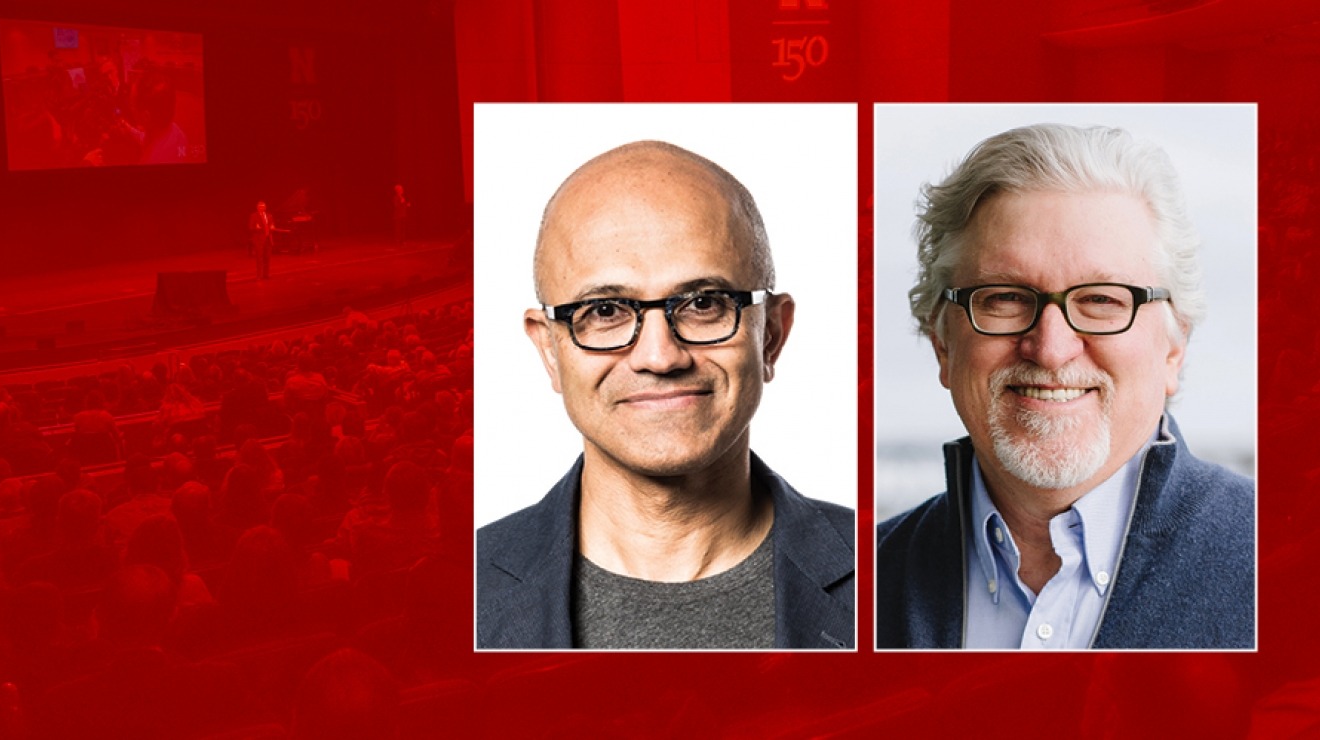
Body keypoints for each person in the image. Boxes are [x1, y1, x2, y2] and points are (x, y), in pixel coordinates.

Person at [876, 124, 1255, 649]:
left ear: (1174, 348)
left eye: (1102, 300)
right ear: (942, 343)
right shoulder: (854, 589)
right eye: (1005, 297)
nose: (1051, 348)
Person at [475, 141, 854, 649]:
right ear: (549, 350)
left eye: (703, 303)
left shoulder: (883, 572)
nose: (660, 356)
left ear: (771, 336)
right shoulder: (458, 597)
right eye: (606, 311)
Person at [248, 200, 275, 279]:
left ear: (265, 207)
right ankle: (259, 275)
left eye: (263, 206)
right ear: (257, 208)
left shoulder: (269, 215)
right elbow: (250, 227)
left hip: (268, 239)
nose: (261, 208)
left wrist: (272, 227)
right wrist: (256, 228)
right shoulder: (253, 216)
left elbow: (272, 224)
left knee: (267, 258)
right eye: (260, 207)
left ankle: (266, 275)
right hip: (259, 240)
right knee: (259, 258)